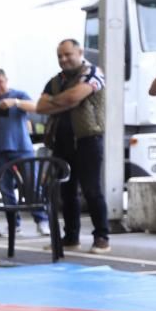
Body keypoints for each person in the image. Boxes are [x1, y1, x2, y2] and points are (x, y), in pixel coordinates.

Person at [36, 39, 109, 254]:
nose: (63, 59)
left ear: (80, 52)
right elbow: (40, 107)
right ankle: (71, 238)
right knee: (66, 193)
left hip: (88, 140)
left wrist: (57, 100)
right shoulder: (55, 80)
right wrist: (67, 99)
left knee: (92, 190)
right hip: (61, 142)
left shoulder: (94, 73)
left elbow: (77, 96)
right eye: (60, 56)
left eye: (67, 54)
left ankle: (102, 237)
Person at [0, 69, 49, 236]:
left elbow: (36, 107)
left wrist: (15, 102)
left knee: (33, 184)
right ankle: (13, 225)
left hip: (22, 148)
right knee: (5, 189)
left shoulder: (19, 94)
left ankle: (42, 220)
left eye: (0, 82)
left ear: (6, 80)